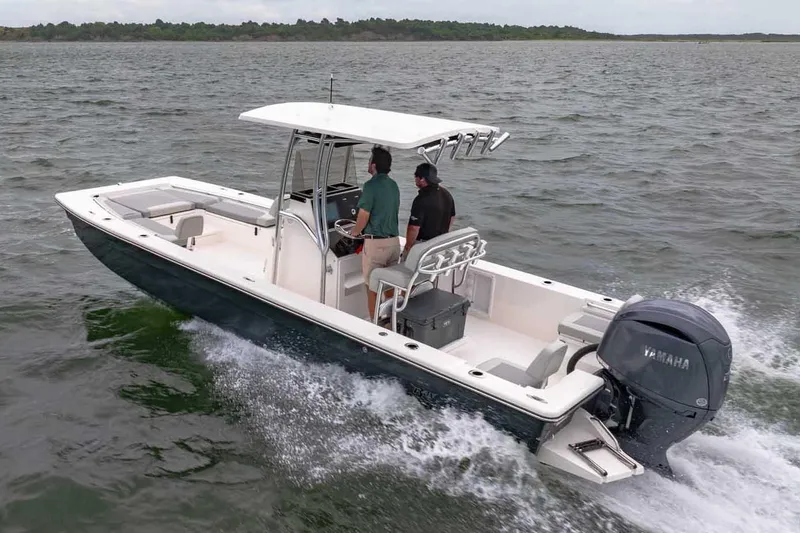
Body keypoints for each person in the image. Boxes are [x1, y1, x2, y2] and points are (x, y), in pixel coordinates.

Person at [350, 145, 401, 320]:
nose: (368, 162)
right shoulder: (394, 185)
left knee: (372, 286)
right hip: (394, 243)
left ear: (374, 165)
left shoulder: (370, 186)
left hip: (376, 245)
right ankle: (392, 321)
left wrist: (355, 232)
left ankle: (375, 324)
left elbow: (364, 215)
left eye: (370, 160)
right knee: (390, 285)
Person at [402, 162, 456, 259]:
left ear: (422, 179)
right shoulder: (446, 194)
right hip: (439, 246)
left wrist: (408, 247)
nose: (415, 179)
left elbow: (414, 228)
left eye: (416, 176)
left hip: (423, 247)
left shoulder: (421, 199)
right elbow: (452, 217)